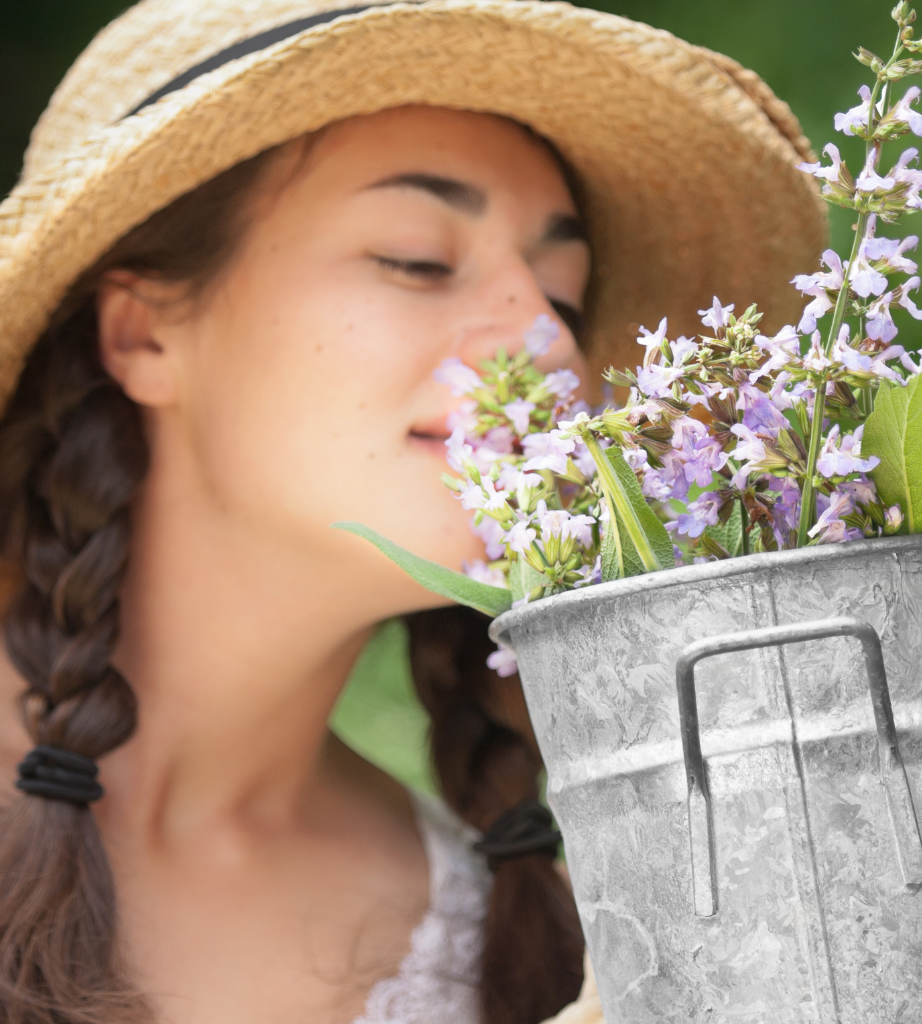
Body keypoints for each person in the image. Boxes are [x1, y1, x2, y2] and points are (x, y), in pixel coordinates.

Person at [0, 2, 825, 1023]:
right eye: (416, 259)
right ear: (145, 335)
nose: (547, 349)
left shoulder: (519, 943)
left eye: (565, 300)